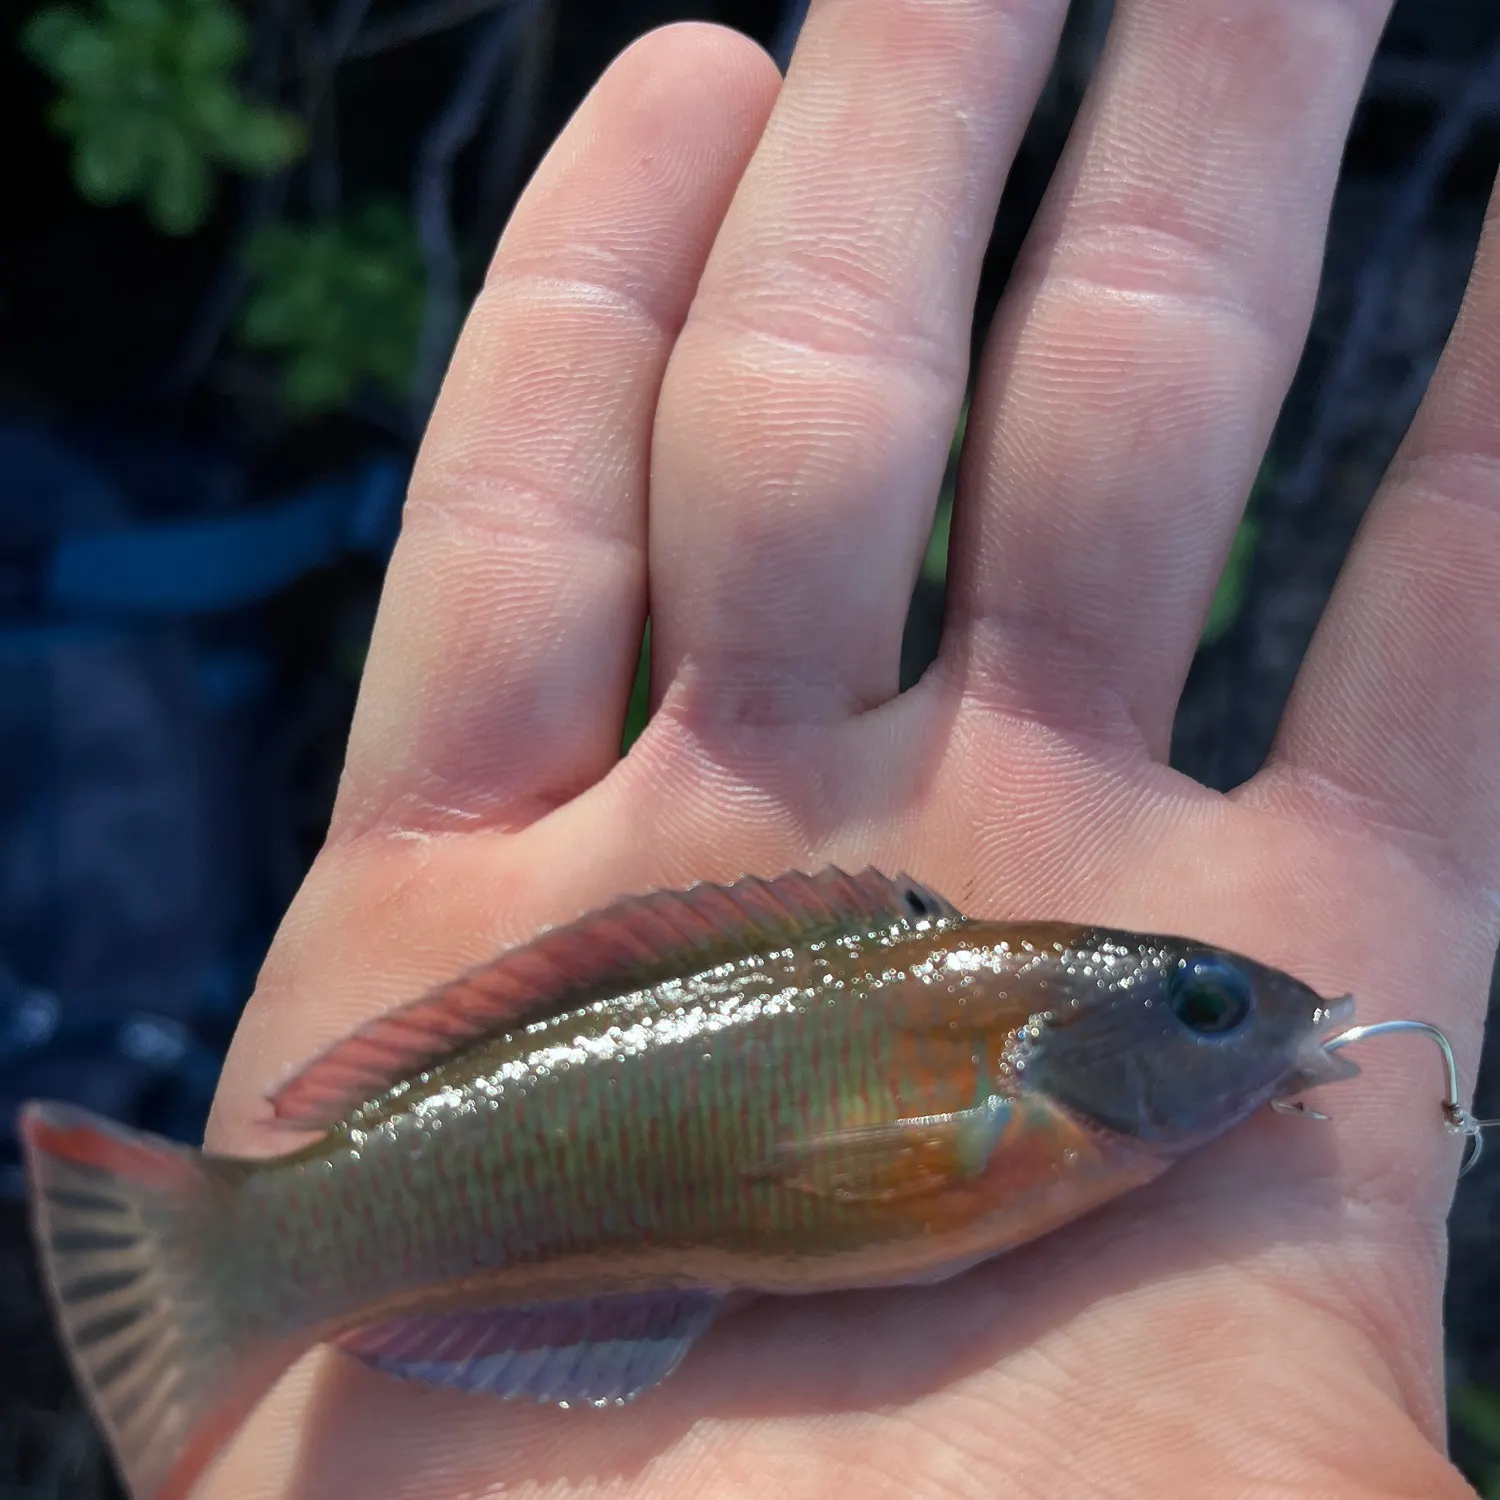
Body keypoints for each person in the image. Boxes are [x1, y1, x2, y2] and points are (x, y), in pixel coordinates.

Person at [200, 8, 1499, 1497]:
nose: (1235, 1015)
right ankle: (260, 1242)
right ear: (1055, 1042)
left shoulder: (1052, 1118)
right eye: (1199, 1007)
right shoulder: (1030, 1106)